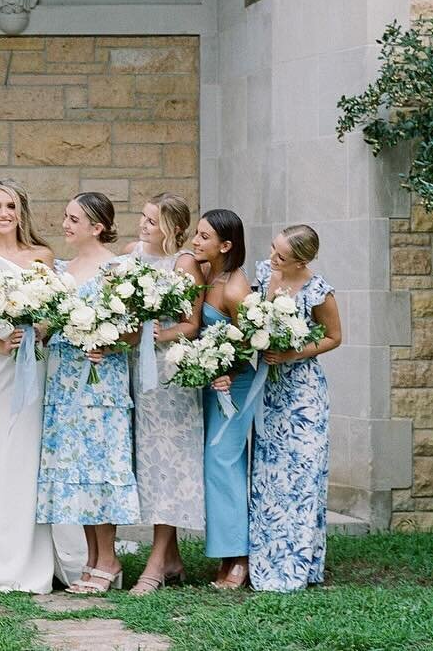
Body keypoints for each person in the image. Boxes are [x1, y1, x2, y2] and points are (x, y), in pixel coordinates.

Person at [0, 178, 86, 592]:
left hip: (32, 362)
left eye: (10, 205)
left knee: (28, 454)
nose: (3, 213)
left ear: (22, 210)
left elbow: (54, 310)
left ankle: (32, 557)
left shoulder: (42, 255)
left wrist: (36, 334)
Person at [36, 192, 140, 594]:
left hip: (101, 382)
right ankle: (94, 560)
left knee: (100, 466)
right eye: (66, 216)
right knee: (76, 470)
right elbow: (50, 322)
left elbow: (135, 328)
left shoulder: (118, 270)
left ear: (97, 227)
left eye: (74, 219)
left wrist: (110, 343)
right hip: (64, 382)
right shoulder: (60, 270)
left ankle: (108, 558)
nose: (66, 224)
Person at [248, 225, 341, 592]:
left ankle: (300, 563)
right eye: (273, 249)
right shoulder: (261, 275)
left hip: (303, 393)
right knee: (270, 475)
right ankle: (267, 558)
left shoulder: (319, 291)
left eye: (281, 256)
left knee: (302, 476)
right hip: (268, 391)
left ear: (301, 260)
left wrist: (293, 353)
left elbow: (334, 337)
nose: (273, 258)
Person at [125, 193, 205, 594]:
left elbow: (192, 322)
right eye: (143, 217)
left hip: (171, 372)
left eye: (152, 221)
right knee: (149, 462)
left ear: (172, 229)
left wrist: (161, 334)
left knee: (168, 462)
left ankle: (156, 565)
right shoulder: (130, 254)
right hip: (136, 371)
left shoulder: (185, 263)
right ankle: (171, 558)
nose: (143, 226)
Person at [191, 209, 259, 589]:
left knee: (223, 461)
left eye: (204, 237)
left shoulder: (235, 288)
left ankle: (239, 558)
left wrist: (227, 372)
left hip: (234, 385)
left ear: (226, 245)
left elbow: (253, 344)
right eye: (196, 234)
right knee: (214, 464)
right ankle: (225, 551)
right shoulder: (205, 275)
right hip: (208, 382)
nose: (196, 241)